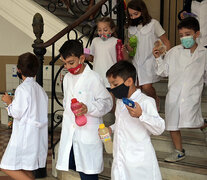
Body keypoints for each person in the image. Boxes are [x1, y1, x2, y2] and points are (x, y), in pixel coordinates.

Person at [56, 40, 113, 180]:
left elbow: (107, 102)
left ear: (82, 58)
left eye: (71, 62)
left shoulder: (93, 78)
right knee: (74, 168)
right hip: (71, 133)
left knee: (88, 173)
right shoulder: (67, 78)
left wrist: (89, 108)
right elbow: (66, 103)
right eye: (65, 63)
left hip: (88, 133)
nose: (67, 67)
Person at [153, 17, 207, 162]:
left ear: (197, 34)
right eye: (181, 35)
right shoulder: (174, 52)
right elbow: (163, 72)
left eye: (188, 34)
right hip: (174, 94)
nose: (184, 38)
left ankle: (204, 125)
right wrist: (158, 58)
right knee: (173, 124)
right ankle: (179, 151)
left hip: (192, 94)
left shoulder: (204, 54)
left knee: (192, 120)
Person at [106, 61, 165, 180]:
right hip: (120, 159)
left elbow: (159, 128)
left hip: (139, 163)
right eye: (110, 85)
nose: (112, 88)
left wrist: (141, 115)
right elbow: (121, 123)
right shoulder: (120, 101)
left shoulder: (146, 102)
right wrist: (110, 129)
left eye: (115, 84)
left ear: (129, 81)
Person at [0, 52, 48, 180]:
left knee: (6, 166)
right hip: (37, 136)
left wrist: (9, 101)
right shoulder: (40, 89)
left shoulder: (23, 89)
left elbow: (16, 113)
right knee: (25, 168)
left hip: (25, 137)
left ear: (19, 69)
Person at [125, 0, 171, 109]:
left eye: (136, 14)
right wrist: (128, 48)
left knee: (146, 87)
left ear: (143, 11)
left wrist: (164, 57)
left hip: (150, 61)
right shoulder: (130, 27)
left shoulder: (153, 24)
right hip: (136, 61)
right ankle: (142, 109)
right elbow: (131, 46)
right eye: (131, 15)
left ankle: (155, 98)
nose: (133, 17)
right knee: (137, 88)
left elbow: (166, 42)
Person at [88, 17, 118, 88]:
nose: (102, 32)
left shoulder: (116, 41)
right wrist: (85, 55)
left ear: (112, 30)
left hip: (111, 76)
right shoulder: (95, 41)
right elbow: (92, 58)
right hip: (97, 75)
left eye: (105, 30)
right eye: (99, 30)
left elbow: (121, 59)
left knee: (110, 97)